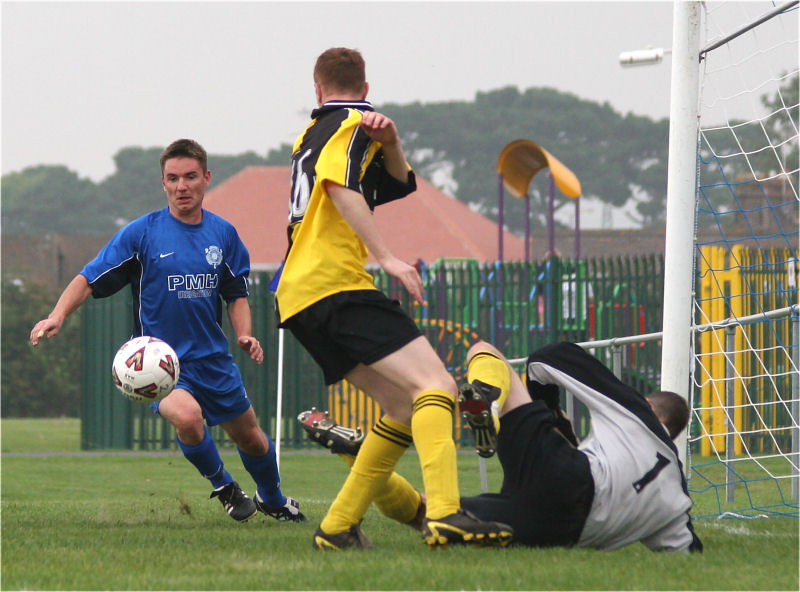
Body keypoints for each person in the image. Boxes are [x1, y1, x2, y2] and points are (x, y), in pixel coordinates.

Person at [274, 47, 512, 549]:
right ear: (364, 87)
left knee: (404, 405)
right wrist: (388, 258)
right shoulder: (352, 123)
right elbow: (341, 186)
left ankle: (338, 528)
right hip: (334, 283)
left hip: (298, 297)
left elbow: (396, 184)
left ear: (316, 90)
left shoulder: (308, 134)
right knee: (438, 386)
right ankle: (446, 513)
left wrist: (394, 141)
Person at [30, 138, 305, 524]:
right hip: (161, 365)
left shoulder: (223, 235)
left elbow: (236, 294)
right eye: (173, 178)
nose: (182, 186)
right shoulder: (142, 234)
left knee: (252, 438)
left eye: (190, 177)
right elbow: (89, 278)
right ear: (163, 183)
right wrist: (57, 315)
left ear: (206, 178)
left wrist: (245, 334)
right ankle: (224, 486)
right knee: (188, 418)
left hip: (213, 359)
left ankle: (273, 498)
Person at [300, 340, 704, 552]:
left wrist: (547, 415)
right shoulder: (677, 501)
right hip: (562, 533)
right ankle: (361, 455)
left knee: (484, 350)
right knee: (427, 516)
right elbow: (688, 552)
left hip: (571, 476)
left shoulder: (639, 414)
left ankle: (487, 403)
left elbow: (550, 358)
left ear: (655, 412)